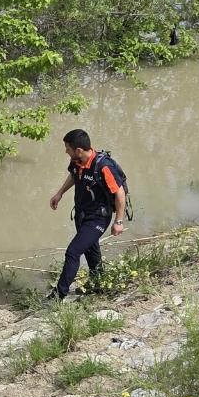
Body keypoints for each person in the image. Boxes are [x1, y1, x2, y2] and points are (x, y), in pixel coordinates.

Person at [47, 129, 127, 300]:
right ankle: (99, 285)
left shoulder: (103, 167)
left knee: (73, 252)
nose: (66, 151)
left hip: (98, 217)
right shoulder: (77, 161)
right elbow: (73, 176)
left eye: (67, 148)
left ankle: (58, 296)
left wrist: (118, 221)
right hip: (81, 214)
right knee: (91, 249)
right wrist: (60, 193)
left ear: (78, 150)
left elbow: (120, 194)